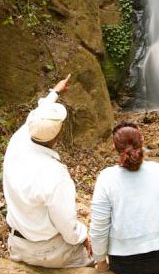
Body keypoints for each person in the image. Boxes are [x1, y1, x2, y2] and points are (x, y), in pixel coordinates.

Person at [3, 75, 93, 268]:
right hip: (48, 251)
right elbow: (67, 228)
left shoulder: (18, 141)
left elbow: (36, 115)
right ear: (58, 134)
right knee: (95, 260)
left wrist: (55, 92)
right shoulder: (55, 174)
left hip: (18, 244)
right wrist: (83, 235)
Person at [90, 122, 159, 274]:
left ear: (114, 147)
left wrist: (101, 262)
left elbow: (99, 228)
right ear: (142, 141)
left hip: (126, 267)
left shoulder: (106, 178)